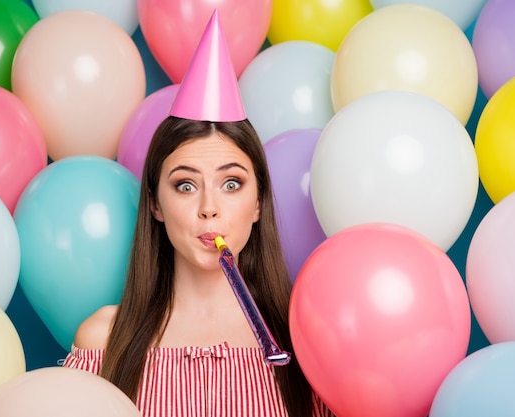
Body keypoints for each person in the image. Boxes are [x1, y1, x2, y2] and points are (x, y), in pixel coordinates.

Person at [62, 10, 335, 417]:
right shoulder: (105, 340)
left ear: (259, 202)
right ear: (155, 203)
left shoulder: (306, 342)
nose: (209, 208)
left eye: (232, 184)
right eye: (185, 186)